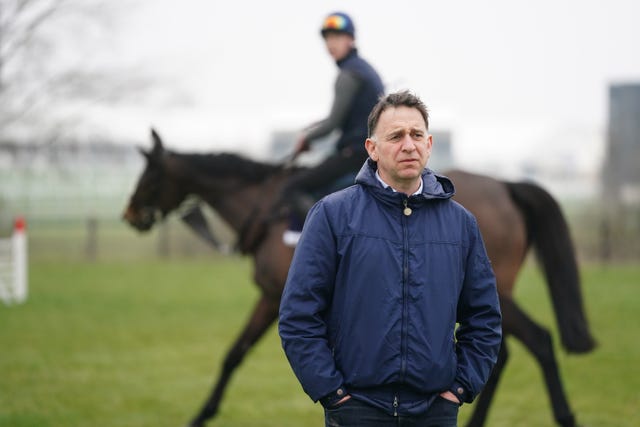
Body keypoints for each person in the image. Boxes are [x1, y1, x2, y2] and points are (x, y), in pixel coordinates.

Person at [278, 90, 502, 426]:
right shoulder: (332, 215)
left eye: (416, 135)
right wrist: (332, 392)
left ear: (428, 144)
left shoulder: (461, 224)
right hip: (356, 410)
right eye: (395, 136)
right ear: (372, 149)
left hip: (434, 412)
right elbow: (298, 315)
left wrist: (460, 387)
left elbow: (484, 319)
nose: (408, 145)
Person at [276, 11, 384, 235]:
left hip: (355, 154)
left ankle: (323, 241)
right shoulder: (363, 69)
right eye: (328, 38)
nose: (331, 43)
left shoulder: (349, 74)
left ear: (351, 39)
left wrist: (305, 137)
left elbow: (333, 124)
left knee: (292, 187)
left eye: (337, 37)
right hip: (366, 152)